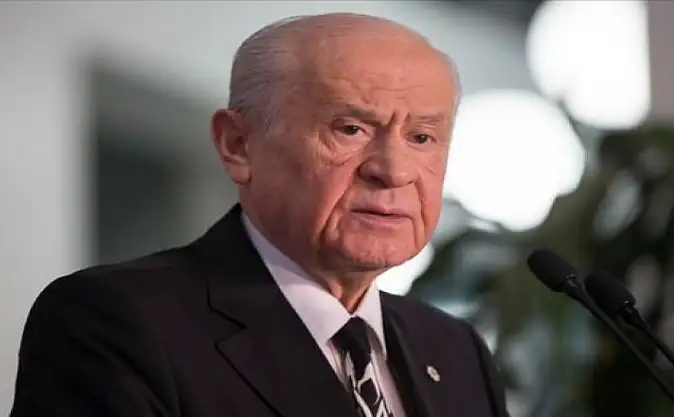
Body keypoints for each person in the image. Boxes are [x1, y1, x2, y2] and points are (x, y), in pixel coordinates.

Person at [10, 13, 508, 417]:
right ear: (239, 145)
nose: (393, 171)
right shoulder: (117, 323)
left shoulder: (454, 349)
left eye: (421, 137)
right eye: (350, 129)